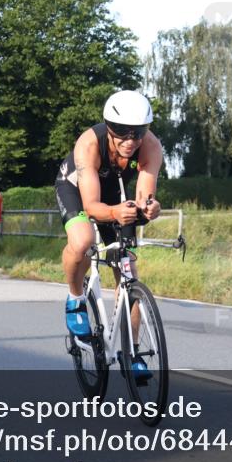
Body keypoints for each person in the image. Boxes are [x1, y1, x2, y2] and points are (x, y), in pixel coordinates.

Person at [55, 90, 162, 380]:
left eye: (138, 134)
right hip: (78, 189)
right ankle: (75, 298)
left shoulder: (151, 146)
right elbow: (91, 207)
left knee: (127, 268)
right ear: (109, 128)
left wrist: (149, 208)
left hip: (116, 193)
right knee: (83, 241)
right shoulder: (89, 144)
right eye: (122, 134)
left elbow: (143, 195)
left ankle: (134, 353)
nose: (131, 142)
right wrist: (114, 213)